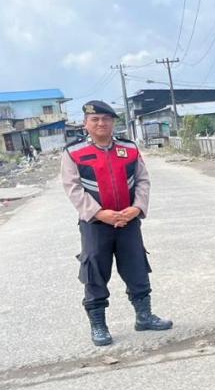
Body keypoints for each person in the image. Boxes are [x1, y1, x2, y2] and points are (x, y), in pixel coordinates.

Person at [61, 100, 173, 346]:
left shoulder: (129, 148)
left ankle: (144, 317)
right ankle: (98, 325)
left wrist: (137, 208)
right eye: (95, 119)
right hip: (96, 224)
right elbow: (73, 188)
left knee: (136, 266)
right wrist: (99, 213)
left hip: (128, 221)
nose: (101, 123)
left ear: (113, 122)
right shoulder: (73, 152)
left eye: (106, 119)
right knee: (94, 272)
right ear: (85, 123)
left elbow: (142, 180)